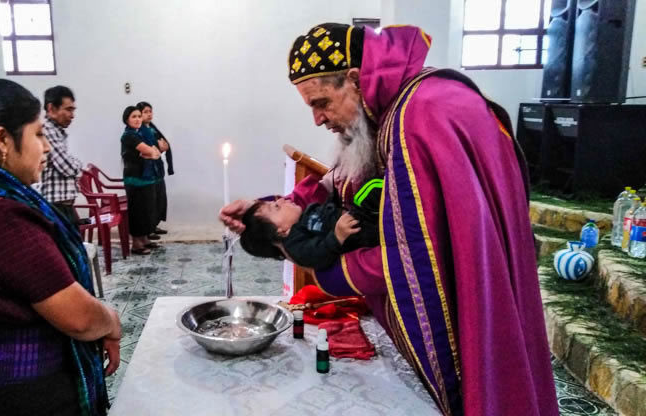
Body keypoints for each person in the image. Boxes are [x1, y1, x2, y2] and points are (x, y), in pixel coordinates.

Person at [220, 23, 558, 415]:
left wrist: (331, 273)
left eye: (322, 103)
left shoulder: (422, 114)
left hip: (469, 298)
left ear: (354, 79)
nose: (317, 119)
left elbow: (422, 256)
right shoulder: (387, 111)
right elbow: (341, 183)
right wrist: (262, 210)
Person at [0, 78, 120, 415]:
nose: (46, 147)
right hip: (26, 397)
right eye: (38, 134)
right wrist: (111, 321)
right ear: (1, 139)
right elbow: (78, 317)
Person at [239, 177, 382, 269]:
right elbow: (318, 255)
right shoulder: (295, 246)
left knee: (367, 186)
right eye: (276, 207)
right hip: (361, 231)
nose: (282, 200)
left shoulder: (304, 219)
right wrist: (337, 237)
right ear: (281, 231)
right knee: (370, 189)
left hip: (357, 218)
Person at [121, 106, 161, 255]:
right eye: (134, 117)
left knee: (146, 210)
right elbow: (152, 151)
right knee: (137, 211)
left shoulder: (139, 134)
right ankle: (136, 244)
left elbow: (156, 152)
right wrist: (150, 152)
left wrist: (150, 153)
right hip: (135, 180)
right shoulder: (129, 136)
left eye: (139, 116)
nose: (138, 119)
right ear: (127, 120)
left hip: (146, 178)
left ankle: (144, 239)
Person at [40, 85, 83, 222]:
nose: (72, 115)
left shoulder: (58, 132)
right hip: (55, 207)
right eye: (68, 109)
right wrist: (78, 164)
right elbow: (68, 168)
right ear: (51, 109)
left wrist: (74, 163)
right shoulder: (48, 131)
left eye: (73, 110)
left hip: (62, 206)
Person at [136, 101, 172, 236]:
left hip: (157, 168)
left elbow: (161, 146)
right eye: (145, 112)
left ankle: (154, 225)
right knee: (149, 201)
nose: (149, 114)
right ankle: (148, 229)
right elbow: (149, 149)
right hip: (147, 170)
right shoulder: (139, 130)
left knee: (159, 199)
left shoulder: (152, 128)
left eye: (150, 111)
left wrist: (161, 148)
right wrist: (159, 148)